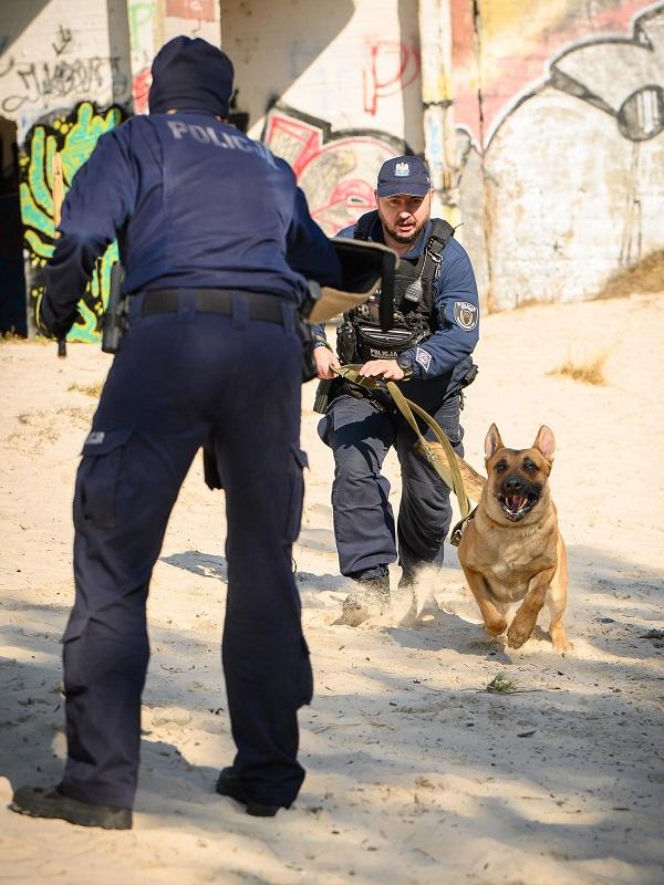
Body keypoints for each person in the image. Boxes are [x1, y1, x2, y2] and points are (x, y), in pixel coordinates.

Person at [9, 36, 341, 829]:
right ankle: (266, 771)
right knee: (264, 566)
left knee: (114, 560)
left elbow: (83, 232)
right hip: (266, 355)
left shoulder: (135, 139)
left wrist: (58, 308)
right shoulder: (268, 165)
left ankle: (98, 786)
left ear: (157, 92)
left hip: (168, 342)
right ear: (225, 100)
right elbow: (321, 258)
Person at [312, 155, 479, 625]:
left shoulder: (450, 257)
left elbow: (461, 336)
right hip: (360, 387)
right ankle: (368, 586)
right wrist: (317, 345)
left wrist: (405, 364)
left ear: (429, 199)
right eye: (394, 201)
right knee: (353, 470)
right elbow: (310, 304)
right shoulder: (351, 245)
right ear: (378, 202)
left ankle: (419, 582)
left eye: (414, 201)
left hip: (429, 393)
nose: (405, 211)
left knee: (429, 498)